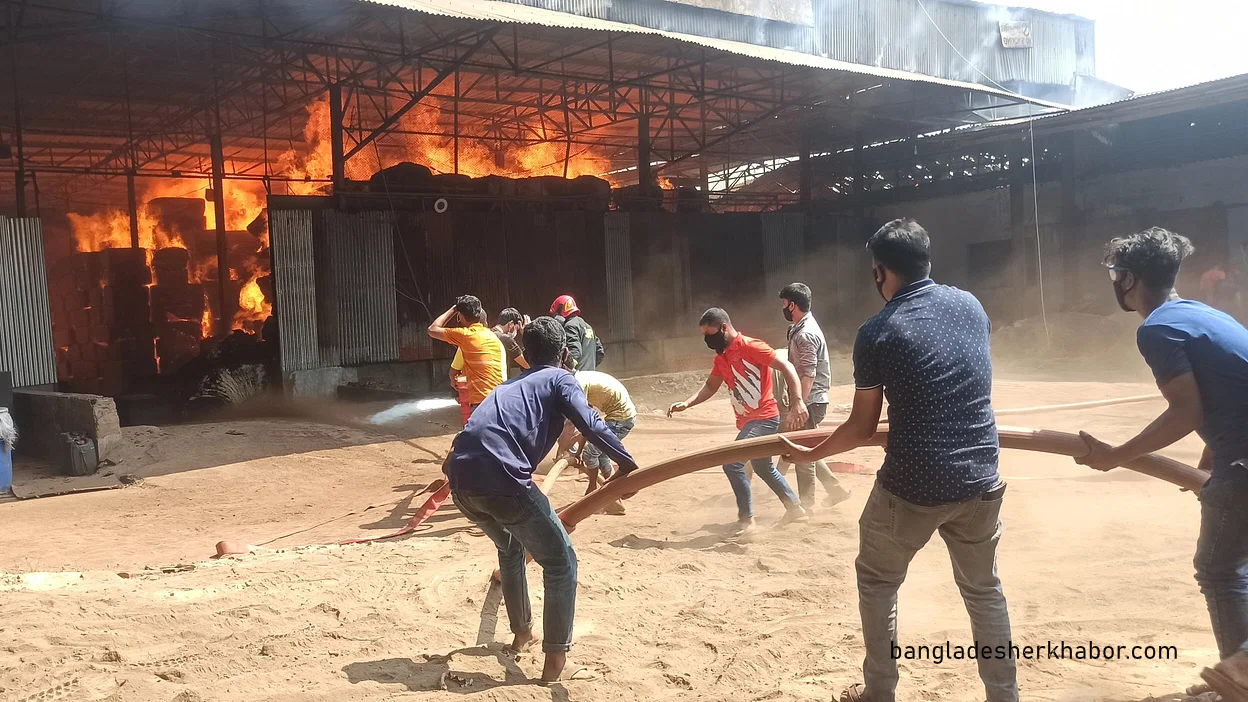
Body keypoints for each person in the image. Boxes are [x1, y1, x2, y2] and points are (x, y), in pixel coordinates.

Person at [781, 218, 1014, 702]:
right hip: (981, 476)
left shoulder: (879, 330)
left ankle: (879, 692)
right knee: (984, 591)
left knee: (878, 580)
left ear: (879, 271)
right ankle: (1004, 695)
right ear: (927, 260)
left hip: (914, 483)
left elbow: (862, 428)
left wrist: (810, 451)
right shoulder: (970, 305)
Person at [1074, 227, 1248, 699]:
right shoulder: (1204, 315)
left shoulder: (1158, 328)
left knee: (1218, 568)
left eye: (1114, 274)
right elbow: (1228, 392)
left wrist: (1112, 456)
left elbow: (1186, 410)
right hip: (1238, 454)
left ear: (1128, 279)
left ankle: (1241, 677)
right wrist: (1210, 462)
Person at [445, 316, 640, 683]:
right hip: (501, 481)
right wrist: (627, 465)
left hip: (460, 483)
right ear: (565, 354)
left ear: (527, 353)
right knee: (561, 562)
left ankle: (523, 634)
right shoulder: (561, 377)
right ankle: (555, 667)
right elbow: (591, 423)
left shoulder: (509, 385)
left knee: (512, 548)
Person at [668, 307, 808, 532]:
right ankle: (795, 509)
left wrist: (798, 401)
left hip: (764, 418)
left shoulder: (751, 346)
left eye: (709, 333)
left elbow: (787, 367)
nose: (706, 339)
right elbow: (711, 386)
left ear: (723, 328)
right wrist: (688, 403)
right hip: (747, 421)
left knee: (732, 464)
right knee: (763, 468)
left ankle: (746, 520)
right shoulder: (721, 357)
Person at [778, 282, 852, 509]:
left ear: (792, 305)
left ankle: (806, 507)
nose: (782, 308)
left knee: (802, 455)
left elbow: (808, 375)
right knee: (804, 447)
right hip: (808, 400)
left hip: (810, 401)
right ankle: (835, 489)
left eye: (784, 304)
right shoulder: (801, 327)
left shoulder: (805, 335)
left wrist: (797, 405)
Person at [557, 369, 636, 515]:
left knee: (590, 454)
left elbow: (579, 425)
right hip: (622, 416)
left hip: (620, 419)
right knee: (601, 455)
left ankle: (593, 489)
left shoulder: (578, 385)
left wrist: (564, 450)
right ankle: (614, 500)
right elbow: (587, 428)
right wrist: (576, 452)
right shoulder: (582, 378)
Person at [428, 295, 506, 415]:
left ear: (460, 316)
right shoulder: (492, 336)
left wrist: (454, 309)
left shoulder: (466, 335)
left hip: (481, 403)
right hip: (499, 399)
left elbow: (432, 329)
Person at [449, 308, 530, 390]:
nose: (517, 332)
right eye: (517, 328)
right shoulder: (505, 339)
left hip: (475, 389)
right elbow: (527, 365)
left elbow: (454, 371)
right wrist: (526, 335)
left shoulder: (485, 336)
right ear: (511, 324)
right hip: (496, 387)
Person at [550, 294, 604, 372]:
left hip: (578, 377)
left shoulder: (570, 326)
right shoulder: (587, 326)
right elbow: (600, 353)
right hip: (590, 375)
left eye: (555, 314)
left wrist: (568, 369)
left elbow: (575, 352)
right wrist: (588, 367)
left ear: (560, 310)